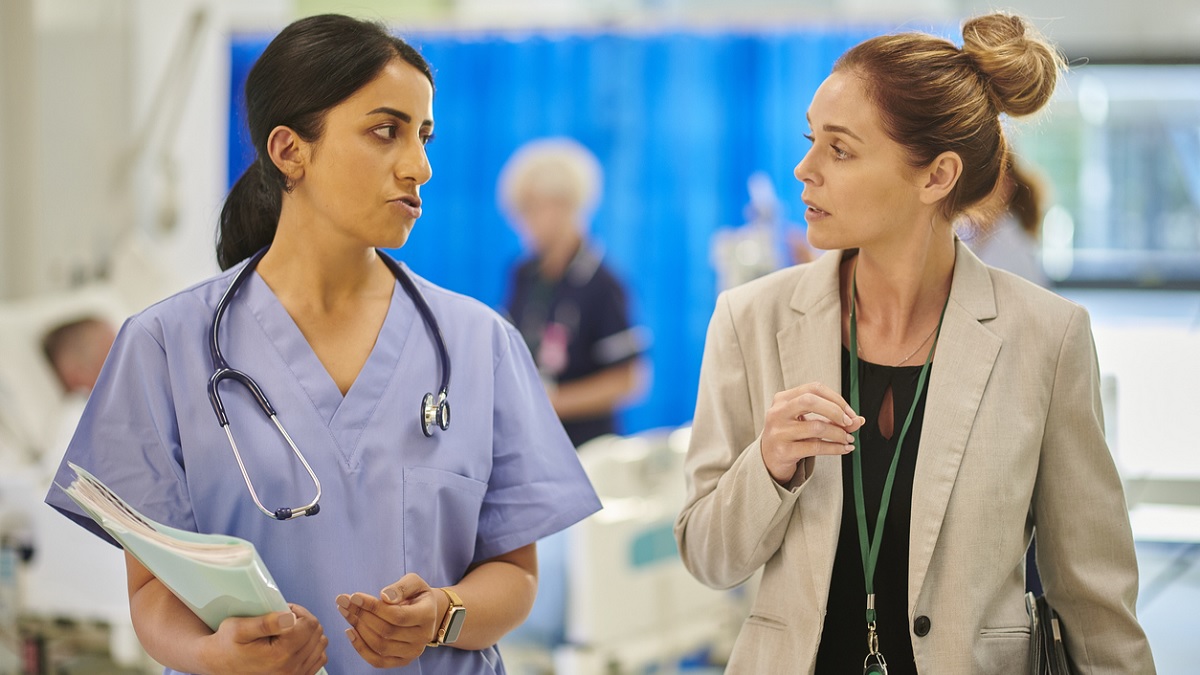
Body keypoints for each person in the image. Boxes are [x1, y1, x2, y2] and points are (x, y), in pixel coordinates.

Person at [45, 14, 601, 675]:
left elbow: (515, 573)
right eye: (385, 131)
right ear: (289, 151)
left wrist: (442, 614)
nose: (419, 165)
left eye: (423, 136)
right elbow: (152, 589)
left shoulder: (480, 345)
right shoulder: (163, 348)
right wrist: (211, 654)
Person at [674, 12, 1154, 674]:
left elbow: (1094, 602)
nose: (803, 168)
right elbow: (706, 554)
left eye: (839, 149)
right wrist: (769, 462)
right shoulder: (749, 319)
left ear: (936, 177)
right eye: (811, 139)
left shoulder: (1047, 337)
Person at [499, 138, 648, 448]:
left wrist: (553, 403)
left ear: (566, 204)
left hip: (587, 449)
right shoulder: (524, 274)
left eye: (532, 208)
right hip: (530, 444)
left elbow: (630, 379)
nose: (522, 221)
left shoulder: (603, 283)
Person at [967, 156, 1052, 287]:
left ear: (1006, 185)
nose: (971, 190)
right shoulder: (975, 236)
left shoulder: (1015, 253)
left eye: (981, 183)